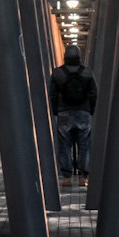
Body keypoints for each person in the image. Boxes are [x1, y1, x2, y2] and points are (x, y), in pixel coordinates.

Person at [49, 43, 97, 187]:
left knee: (64, 146)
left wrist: (55, 110)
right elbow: (94, 93)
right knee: (85, 146)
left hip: (64, 114)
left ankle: (67, 177)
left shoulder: (57, 73)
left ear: (65, 56)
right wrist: (90, 110)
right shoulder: (87, 72)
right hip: (83, 113)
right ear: (79, 57)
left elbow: (52, 94)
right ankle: (83, 177)